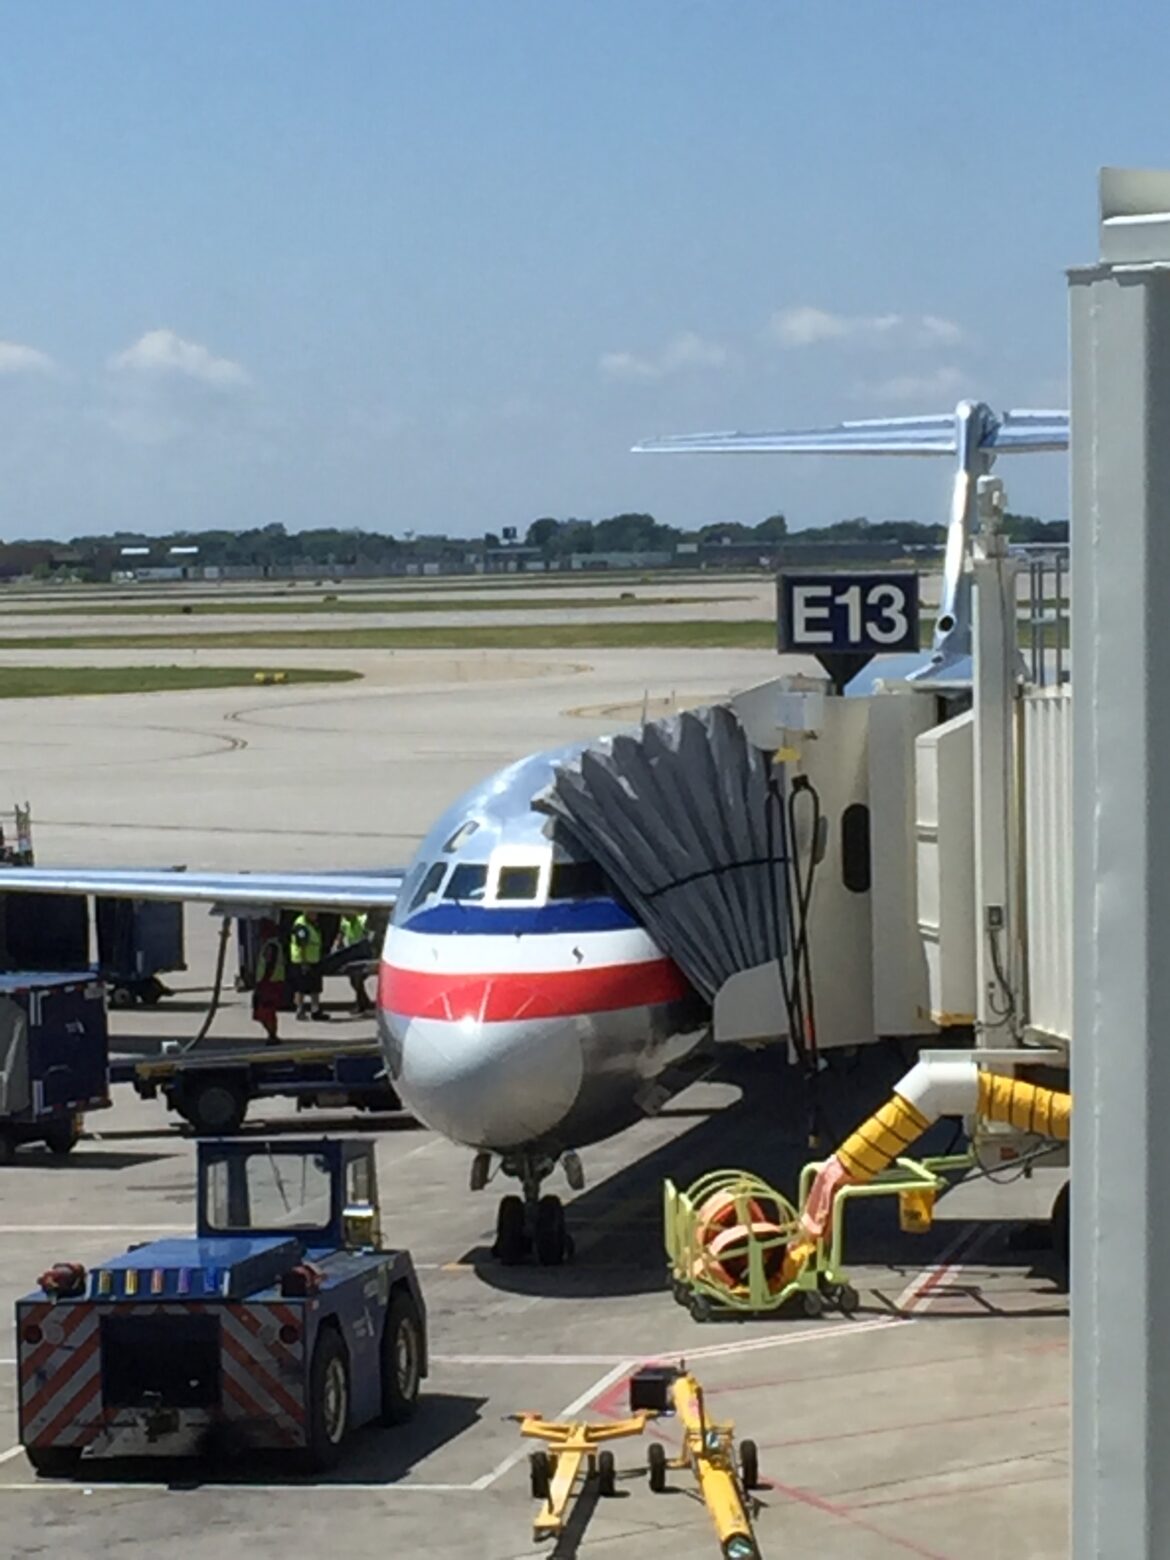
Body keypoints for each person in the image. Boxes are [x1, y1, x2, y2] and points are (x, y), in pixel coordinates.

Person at [289, 909, 330, 1022]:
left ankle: (315, 1011)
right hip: (302, 961)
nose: (316, 915)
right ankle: (300, 1010)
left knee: (315, 987)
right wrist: (304, 962)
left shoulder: (312, 923)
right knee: (301, 988)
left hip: (313, 960)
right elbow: (301, 945)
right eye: (313, 913)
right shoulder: (301, 925)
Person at [252, 917, 286, 1045]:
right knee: (265, 1011)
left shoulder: (271, 946)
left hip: (269, 983)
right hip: (270, 982)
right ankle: (271, 1034)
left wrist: (262, 982)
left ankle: (272, 1034)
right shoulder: (272, 945)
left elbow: (269, 965)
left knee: (267, 1011)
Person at [339, 910, 373, 1015]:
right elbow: (342, 933)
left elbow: (370, 934)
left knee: (358, 980)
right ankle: (365, 1001)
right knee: (354, 981)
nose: (346, 917)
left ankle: (360, 1005)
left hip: (362, 953)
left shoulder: (362, 920)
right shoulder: (344, 921)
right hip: (351, 953)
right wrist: (339, 943)